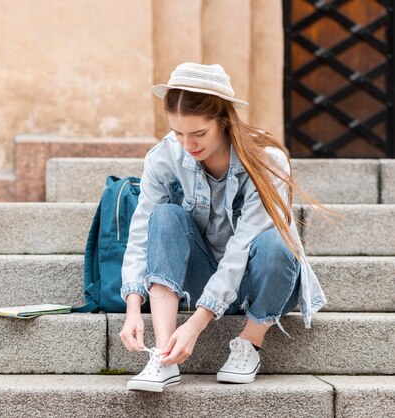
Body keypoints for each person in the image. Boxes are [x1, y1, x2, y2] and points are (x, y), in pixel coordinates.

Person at [118, 62, 339, 392]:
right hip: (204, 275)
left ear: (223, 120)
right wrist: (133, 308)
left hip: (261, 279)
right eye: (178, 133)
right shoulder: (164, 157)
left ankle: (249, 342)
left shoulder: (267, 160)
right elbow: (140, 235)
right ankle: (165, 356)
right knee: (163, 217)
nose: (188, 144)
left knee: (277, 241)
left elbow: (240, 251)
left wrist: (195, 325)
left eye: (198, 134)